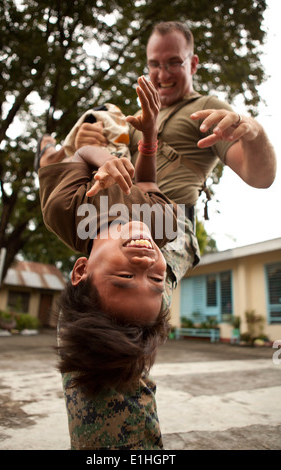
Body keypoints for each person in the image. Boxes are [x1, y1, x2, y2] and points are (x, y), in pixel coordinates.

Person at [38, 76, 185, 450]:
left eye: (124, 275)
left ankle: (45, 150)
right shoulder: (162, 228)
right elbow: (147, 188)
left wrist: (105, 159)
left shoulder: (66, 211)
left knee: (73, 141)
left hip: (80, 156)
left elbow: (83, 154)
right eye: (156, 277)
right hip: (131, 149)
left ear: (81, 269)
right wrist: (149, 138)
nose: (147, 259)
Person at [75, 20, 276, 270]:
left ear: (192, 64)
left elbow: (260, 177)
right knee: (89, 295)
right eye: (154, 64)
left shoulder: (206, 108)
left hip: (170, 222)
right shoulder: (134, 120)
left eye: (173, 62)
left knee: (138, 286)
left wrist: (254, 132)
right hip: (121, 218)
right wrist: (86, 141)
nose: (162, 74)